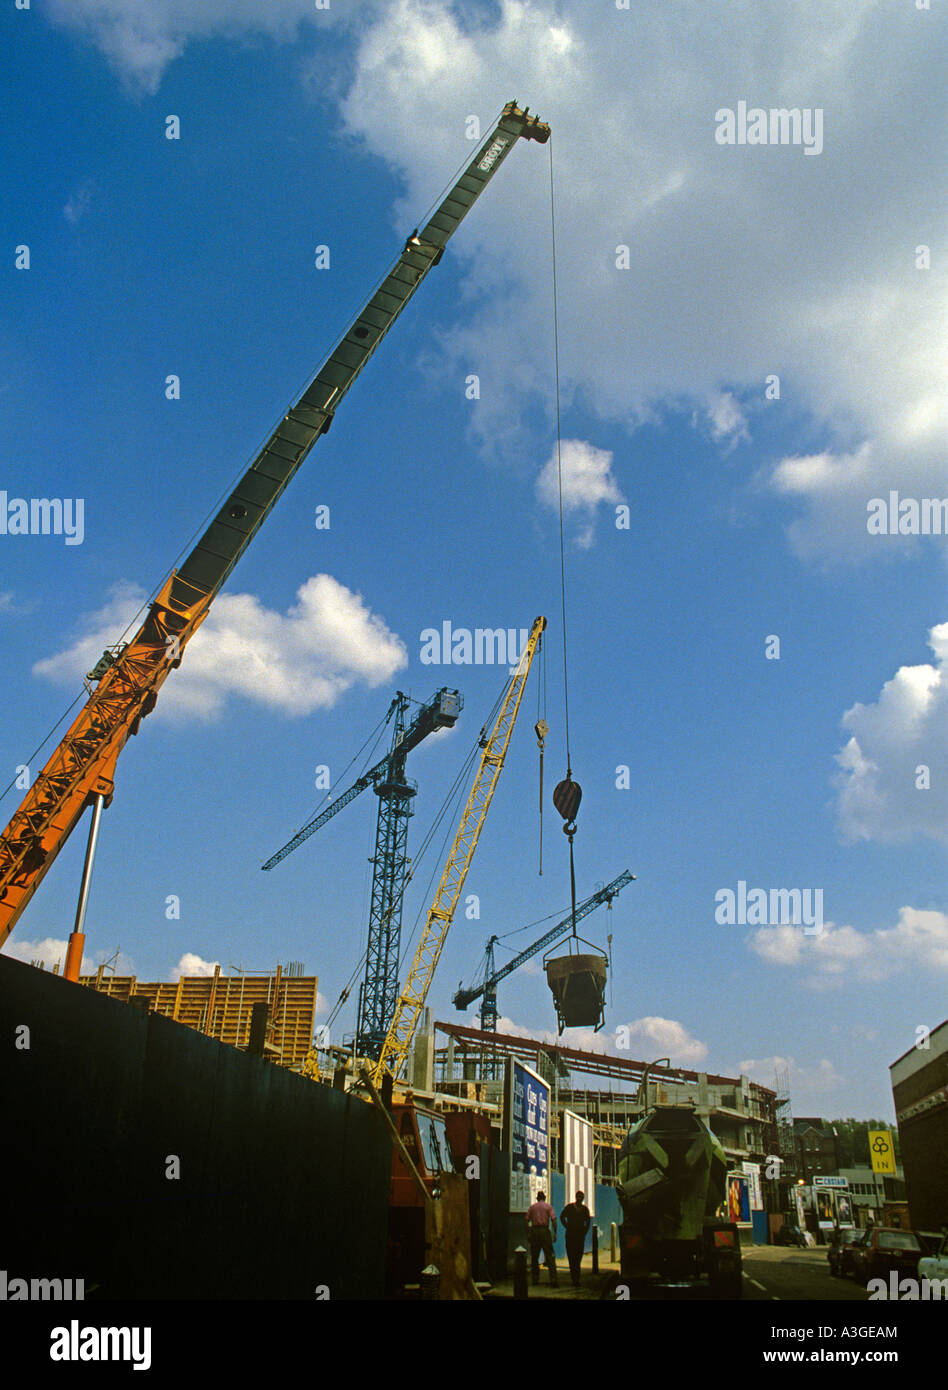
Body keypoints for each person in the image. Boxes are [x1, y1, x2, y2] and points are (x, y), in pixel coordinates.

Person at [525, 1190, 558, 1286]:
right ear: (544, 1198)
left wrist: (528, 1233)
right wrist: (555, 1233)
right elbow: (554, 1220)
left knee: (534, 1256)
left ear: (537, 1198)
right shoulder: (548, 1207)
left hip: (534, 1231)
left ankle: (535, 1279)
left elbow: (526, 1220)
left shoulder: (532, 1207)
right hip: (544, 1231)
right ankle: (553, 1279)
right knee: (550, 1255)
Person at [560, 1191, 591, 1287]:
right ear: (576, 1197)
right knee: (571, 1257)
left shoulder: (585, 1209)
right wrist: (567, 1226)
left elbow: (588, 1222)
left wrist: (584, 1232)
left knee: (577, 1258)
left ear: (582, 1199)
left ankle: (576, 1277)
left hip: (579, 1237)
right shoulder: (569, 1207)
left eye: (581, 1197)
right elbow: (562, 1217)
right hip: (571, 1236)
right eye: (578, 1197)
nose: (579, 1199)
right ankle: (575, 1278)